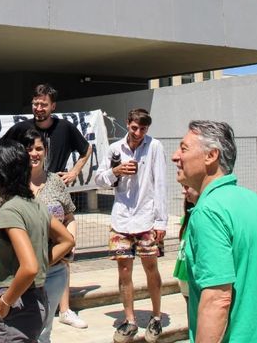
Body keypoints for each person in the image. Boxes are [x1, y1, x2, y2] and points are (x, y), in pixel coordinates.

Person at [171, 120, 257, 343]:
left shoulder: (208, 212)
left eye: (184, 148)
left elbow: (217, 298)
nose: (175, 156)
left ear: (211, 156)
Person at [0, 129, 78, 343]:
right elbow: (68, 240)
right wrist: (45, 261)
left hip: (17, 302)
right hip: (37, 300)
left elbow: (30, 267)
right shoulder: (38, 206)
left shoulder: (10, 210)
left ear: (0, 173)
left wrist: (6, 302)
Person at [94, 108, 167, 343]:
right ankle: (130, 320)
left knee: (151, 268)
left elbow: (161, 184)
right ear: (128, 124)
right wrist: (116, 171)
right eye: (134, 127)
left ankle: (156, 317)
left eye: (143, 129)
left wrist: (161, 220)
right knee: (124, 271)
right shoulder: (116, 149)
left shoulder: (154, 147)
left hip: (146, 218)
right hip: (121, 218)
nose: (137, 133)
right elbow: (99, 179)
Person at [173, 185, 199, 304]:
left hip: (193, 278)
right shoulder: (185, 220)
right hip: (184, 274)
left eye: (187, 187)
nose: (183, 191)